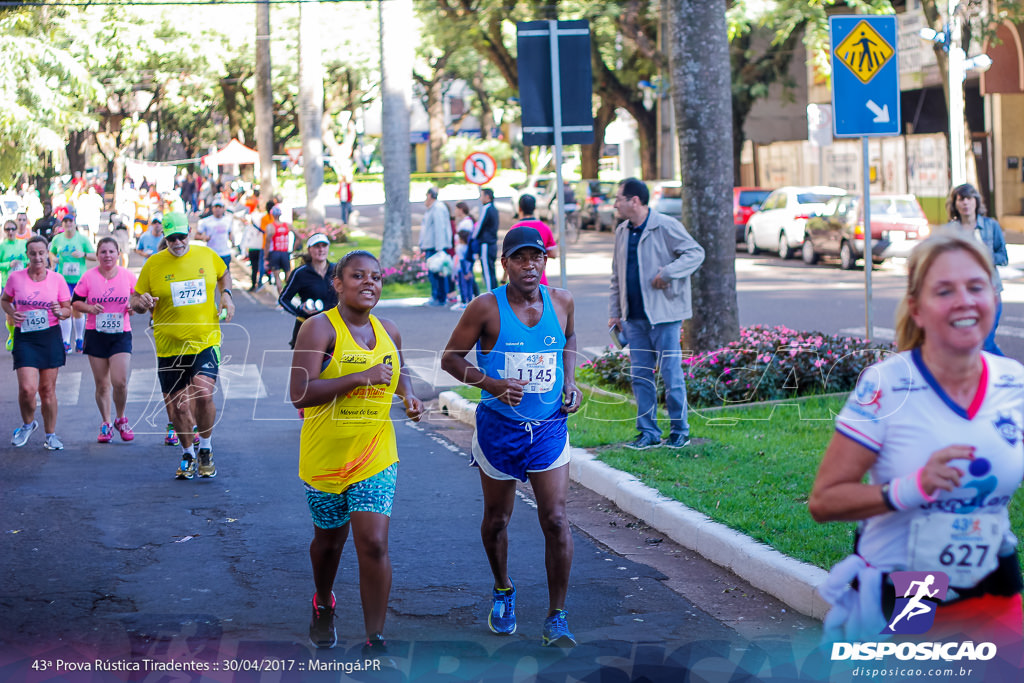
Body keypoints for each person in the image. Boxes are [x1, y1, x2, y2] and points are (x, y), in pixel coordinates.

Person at [809, 232, 1024, 650]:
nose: (964, 300)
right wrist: (915, 487)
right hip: (913, 582)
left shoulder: (1014, 382)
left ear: (993, 299)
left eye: (976, 287)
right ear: (917, 309)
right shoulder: (887, 385)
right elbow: (824, 501)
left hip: (994, 571)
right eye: (945, 291)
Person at [441, 226, 581, 648]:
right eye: (520, 258)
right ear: (504, 263)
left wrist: (569, 381)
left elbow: (569, 337)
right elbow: (450, 358)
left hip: (550, 427)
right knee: (497, 519)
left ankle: (557, 616)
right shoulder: (485, 308)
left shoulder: (562, 301)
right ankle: (503, 588)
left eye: (536, 257)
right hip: (500, 429)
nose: (530, 265)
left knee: (555, 519)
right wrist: (491, 383)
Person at [289, 250, 423, 652]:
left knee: (374, 543)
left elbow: (399, 372)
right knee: (329, 544)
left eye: (376, 277)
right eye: (358, 276)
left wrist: (410, 395)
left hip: (376, 453)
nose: (369, 283)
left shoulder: (389, 331)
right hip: (325, 457)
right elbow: (299, 392)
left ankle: (375, 638)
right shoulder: (318, 329)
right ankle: (324, 601)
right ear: (338, 283)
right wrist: (359, 376)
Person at [130, 212, 235, 480]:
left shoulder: (206, 255)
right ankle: (188, 452)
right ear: (164, 237)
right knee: (178, 408)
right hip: (169, 346)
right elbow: (135, 300)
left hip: (205, 340)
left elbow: (224, 274)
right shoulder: (154, 264)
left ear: (190, 232)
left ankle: (206, 449)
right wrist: (141, 304)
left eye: (182, 236)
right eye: (172, 238)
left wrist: (227, 296)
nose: (178, 242)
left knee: (203, 393)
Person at [608, 178, 705, 450]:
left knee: (671, 375)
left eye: (619, 199)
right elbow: (616, 275)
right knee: (640, 376)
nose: (615, 204)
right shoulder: (622, 231)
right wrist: (615, 312)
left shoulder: (666, 225)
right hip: (633, 318)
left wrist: (668, 273)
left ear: (634, 201)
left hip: (664, 316)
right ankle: (648, 432)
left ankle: (679, 431)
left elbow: (696, 253)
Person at [1, 235, 72, 450]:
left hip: (49, 335)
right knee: (27, 389)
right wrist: (13, 313)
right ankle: (27, 424)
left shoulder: (57, 280)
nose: (38, 257)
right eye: (33, 253)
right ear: (27, 255)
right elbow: (5, 300)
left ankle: (50, 435)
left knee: (47, 390)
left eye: (41, 253)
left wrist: (60, 312)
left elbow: (68, 309)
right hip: (26, 337)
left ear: (47, 254)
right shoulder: (16, 278)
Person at [72, 237, 136, 443]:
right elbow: (76, 303)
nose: (107, 255)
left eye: (111, 252)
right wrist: (90, 308)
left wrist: (133, 306)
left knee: (120, 381)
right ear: (97, 255)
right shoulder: (88, 277)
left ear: (118, 254)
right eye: (103, 252)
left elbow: (139, 299)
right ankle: (106, 422)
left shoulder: (127, 276)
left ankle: (121, 418)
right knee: (102, 384)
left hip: (120, 334)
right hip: (96, 333)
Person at [946, 183, 1007, 356]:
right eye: (961, 199)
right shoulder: (950, 230)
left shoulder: (991, 226)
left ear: (976, 202)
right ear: (955, 204)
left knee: (985, 343)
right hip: (963, 296)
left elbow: (1003, 257)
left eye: (969, 199)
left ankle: (1009, 377)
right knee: (971, 344)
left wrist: (982, 256)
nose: (965, 203)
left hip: (991, 293)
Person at [278, 233, 338, 348]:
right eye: (317, 246)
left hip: (334, 326)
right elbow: (283, 299)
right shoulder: (300, 273)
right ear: (309, 249)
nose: (321, 250)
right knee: (307, 365)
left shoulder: (337, 270)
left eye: (324, 246)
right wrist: (301, 313)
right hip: (309, 327)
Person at [49, 214, 97, 353]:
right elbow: (51, 253)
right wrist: (54, 259)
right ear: (62, 224)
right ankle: (65, 341)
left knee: (77, 309)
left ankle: (79, 339)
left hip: (79, 280)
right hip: (63, 280)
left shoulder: (82, 239)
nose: (68, 224)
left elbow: (94, 256)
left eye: (70, 221)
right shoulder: (57, 239)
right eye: (65, 222)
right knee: (66, 309)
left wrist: (83, 255)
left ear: (74, 223)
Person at [508, 194, 558, 286]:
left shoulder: (514, 229)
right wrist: (537, 255)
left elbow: (508, 258)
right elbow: (554, 253)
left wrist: (503, 280)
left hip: (519, 283)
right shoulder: (544, 228)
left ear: (519, 208)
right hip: (540, 281)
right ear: (535, 208)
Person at [419, 188, 453, 307]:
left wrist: (439, 247)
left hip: (435, 246)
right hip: (431, 245)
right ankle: (438, 296)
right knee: (435, 273)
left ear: (430, 196)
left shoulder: (437, 208)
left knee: (436, 273)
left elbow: (439, 228)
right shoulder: (432, 208)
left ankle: (439, 297)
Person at [1, 220, 29, 350]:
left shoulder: (23, 244)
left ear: (16, 230)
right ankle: (12, 335)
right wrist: (8, 265)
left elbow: (30, 259)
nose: (10, 232)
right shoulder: (2, 246)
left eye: (12, 229)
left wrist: (24, 263)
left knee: (24, 311)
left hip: (23, 284)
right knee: (10, 314)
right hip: (7, 284)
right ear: (4, 231)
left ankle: (24, 336)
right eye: (7, 229)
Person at [473, 187, 500, 291]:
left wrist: (473, 237)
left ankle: (490, 293)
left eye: (481, 195)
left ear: (487, 197)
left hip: (486, 244)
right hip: (492, 243)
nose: (480, 199)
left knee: (487, 270)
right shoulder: (494, 209)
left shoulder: (487, 208)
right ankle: (495, 293)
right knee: (491, 269)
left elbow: (479, 226)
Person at [264, 205, 296, 292]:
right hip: (285, 252)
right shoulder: (287, 225)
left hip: (275, 253)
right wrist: (293, 249)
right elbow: (299, 237)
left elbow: (267, 243)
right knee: (288, 275)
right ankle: (288, 295)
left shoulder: (270, 227)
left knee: (277, 276)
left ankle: (281, 298)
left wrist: (265, 256)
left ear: (272, 215)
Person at [197, 197, 235, 267]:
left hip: (225, 253)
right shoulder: (206, 221)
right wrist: (204, 237)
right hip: (212, 253)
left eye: (219, 207)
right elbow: (196, 236)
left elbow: (229, 233)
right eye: (216, 207)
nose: (218, 209)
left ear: (223, 209)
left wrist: (233, 243)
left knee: (225, 275)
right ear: (212, 208)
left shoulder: (228, 220)